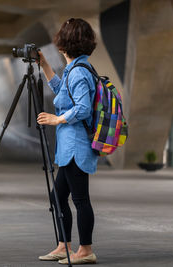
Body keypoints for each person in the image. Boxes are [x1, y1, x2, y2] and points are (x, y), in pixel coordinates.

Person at [36, 18, 98, 265]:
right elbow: (64, 91)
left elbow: (82, 108)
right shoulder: (77, 69)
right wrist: (44, 65)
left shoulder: (80, 72)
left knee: (80, 199)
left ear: (65, 43)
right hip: (70, 147)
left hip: (76, 147)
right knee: (58, 197)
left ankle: (85, 250)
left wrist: (56, 119)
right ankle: (64, 245)